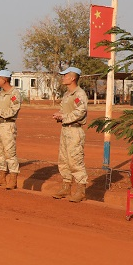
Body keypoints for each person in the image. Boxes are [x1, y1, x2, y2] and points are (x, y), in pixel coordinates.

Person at [52, 67, 88, 202]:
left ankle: (81, 190)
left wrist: (64, 116)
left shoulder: (79, 94)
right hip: (65, 129)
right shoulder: (67, 94)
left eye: (65, 75)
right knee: (63, 160)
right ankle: (66, 186)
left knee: (75, 160)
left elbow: (80, 112)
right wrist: (59, 115)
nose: (63, 77)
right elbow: (64, 110)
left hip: (75, 130)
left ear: (73, 78)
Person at [0, 69, 21, 189]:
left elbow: (13, 110)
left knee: (9, 153)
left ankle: (13, 178)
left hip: (7, 125)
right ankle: (1, 177)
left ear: (5, 79)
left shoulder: (14, 94)